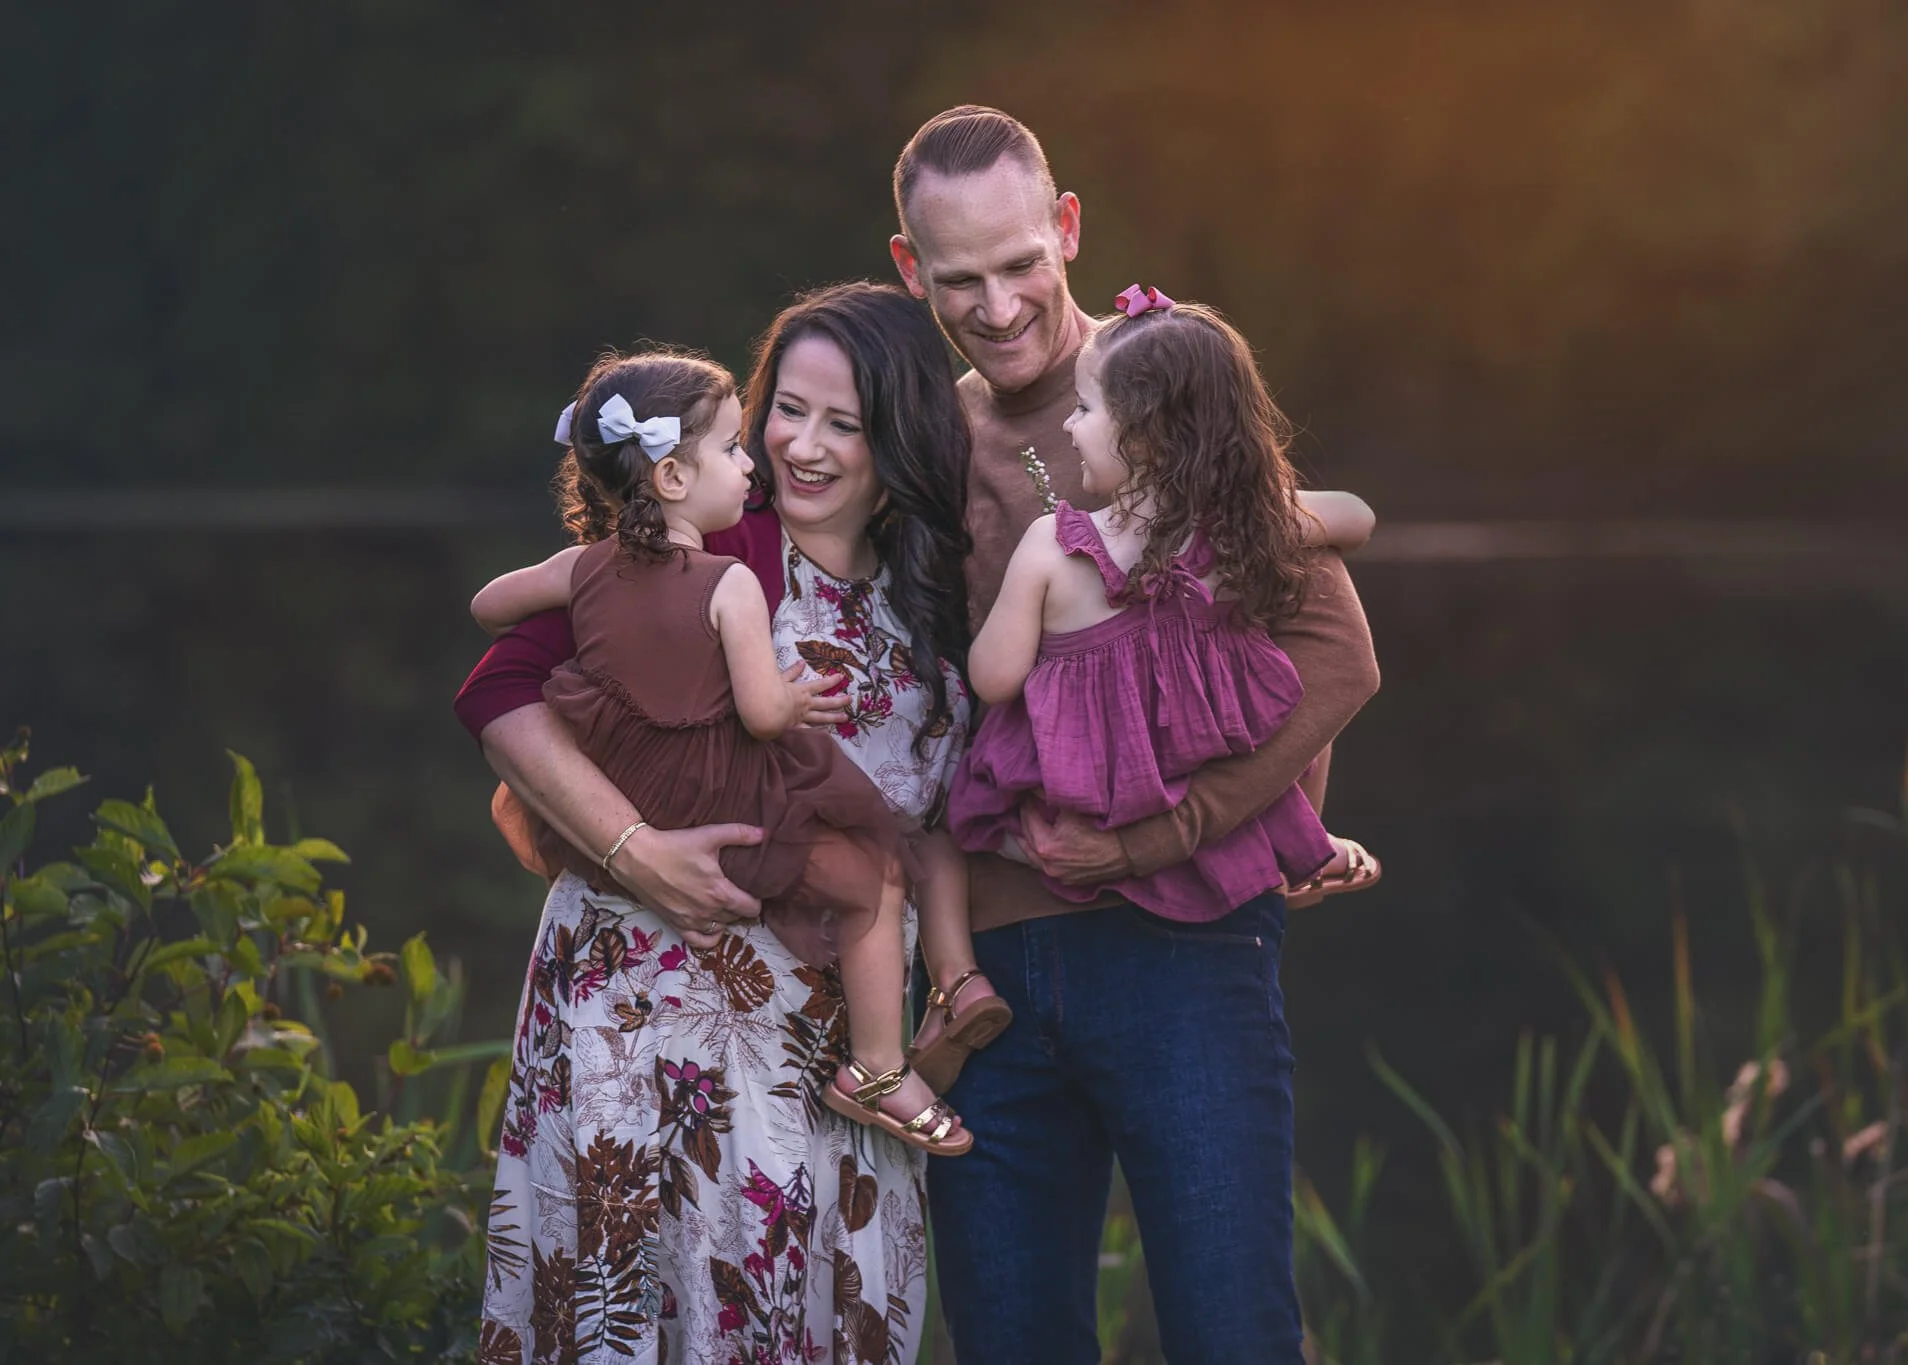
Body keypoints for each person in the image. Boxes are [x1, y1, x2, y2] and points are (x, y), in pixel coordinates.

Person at [885, 107, 1382, 1361]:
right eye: (958, 282)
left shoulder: (1166, 394)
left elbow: (1331, 658)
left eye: (1019, 266)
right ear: (908, 272)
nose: (997, 307)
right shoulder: (923, 442)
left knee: (1230, 1332)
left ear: (1065, 231)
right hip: (984, 977)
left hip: (1182, 953)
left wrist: (1182, 829)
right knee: (1008, 1339)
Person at [466, 284, 976, 1362]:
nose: (802, 445)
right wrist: (634, 850)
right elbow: (499, 696)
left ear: (903, 436)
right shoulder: (705, 550)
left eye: (846, 422)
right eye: (786, 410)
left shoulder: (938, 587)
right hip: (666, 1016)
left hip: (841, 1046)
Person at [951, 285, 1378, 922]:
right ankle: (1296, 845)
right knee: (1269, 711)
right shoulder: (1232, 539)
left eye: (1084, 409)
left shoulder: (1053, 547)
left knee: (980, 813)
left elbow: (993, 678)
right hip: (1174, 777)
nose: (1069, 426)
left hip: (1079, 789)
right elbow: (1357, 516)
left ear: (1144, 435)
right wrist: (1272, 517)